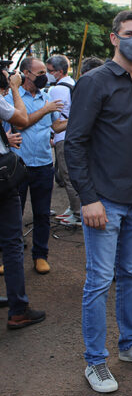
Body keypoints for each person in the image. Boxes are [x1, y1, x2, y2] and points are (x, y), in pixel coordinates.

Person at [65, 10, 132, 393]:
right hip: (105, 201)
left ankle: (130, 344)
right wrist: (88, 199)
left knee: (131, 276)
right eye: (129, 33)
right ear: (113, 38)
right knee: (98, 281)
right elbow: (74, 143)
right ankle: (95, 362)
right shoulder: (94, 82)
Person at [4, 57, 66, 275]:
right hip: (18, 166)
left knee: (41, 214)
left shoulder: (46, 97)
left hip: (43, 164)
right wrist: (46, 109)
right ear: (24, 74)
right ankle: (7, 257)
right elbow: (22, 122)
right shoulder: (12, 97)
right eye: (39, 73)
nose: (44, 77)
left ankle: (40, 255)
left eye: (45, 73)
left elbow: (57, 126)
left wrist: (78, 118)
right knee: (13, 215)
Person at [0, 69, 46, 328]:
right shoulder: (5, 96)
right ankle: (18, 309)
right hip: (2, 180)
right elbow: (20, 118)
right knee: (12, 243)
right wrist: (15, 88)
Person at [46, 55, 81, 226]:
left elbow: (53, 118)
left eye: (49, 71)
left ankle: (77, 213)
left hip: (62, 137)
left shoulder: (55, 90)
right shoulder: (74, 84)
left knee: (67, 176)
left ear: (59, 72)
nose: (47, 74)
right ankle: (74, 208)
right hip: (74, 136)